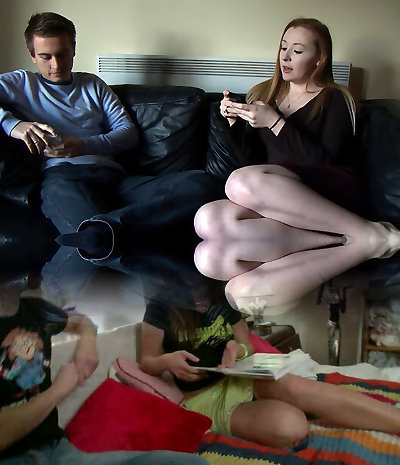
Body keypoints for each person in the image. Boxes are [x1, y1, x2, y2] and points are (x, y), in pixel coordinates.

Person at [0, 274, 208, 464]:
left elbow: (82, 322)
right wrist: (58, 390)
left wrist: (88, 340)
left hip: (58, 451)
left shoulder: (33, 309)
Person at [140, 298, 400, 448]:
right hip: (202, 398)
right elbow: (148, 362)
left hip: (235, 377)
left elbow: (247, 345)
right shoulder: (160, 305)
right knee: (291, 426)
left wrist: (235, 349)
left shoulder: (221, 297)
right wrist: (168, 361)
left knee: (296, 387)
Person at [0, 12, 138, 234]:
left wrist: (83, 145)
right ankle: (115, 229)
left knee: (195, 184)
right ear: (32, 55)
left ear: (73, 49)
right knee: (94, 231)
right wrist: (12, 125)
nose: (56, 65)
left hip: (114, 177)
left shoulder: (94, 84)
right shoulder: (22, 82)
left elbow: (128, 133)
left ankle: (113, 230)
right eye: (45, 56)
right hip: (62, 177)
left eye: (63, 54)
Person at [210, 18, 363, 215]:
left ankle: (359, 229)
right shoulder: (263, 93)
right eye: (283, 48)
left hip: (316, 196)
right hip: (267, 194)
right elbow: (250, 163)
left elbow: (327, 166)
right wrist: (234, 119)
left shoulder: (336, 98)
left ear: (320, 59)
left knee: (239, 182)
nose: (285, 56)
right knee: (208, 216)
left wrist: (275, 123)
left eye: (297, 51)